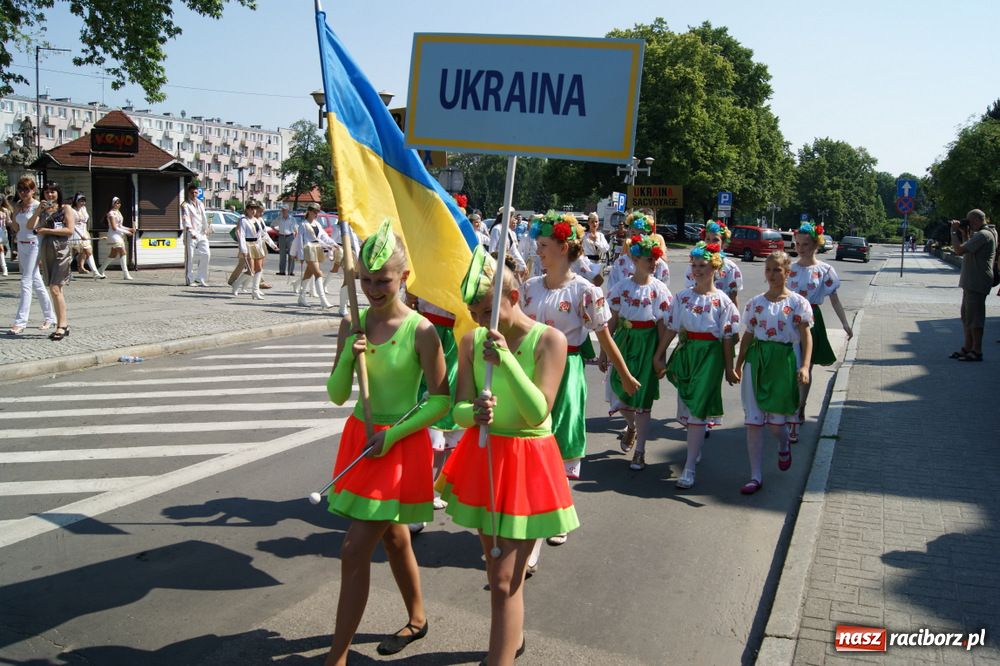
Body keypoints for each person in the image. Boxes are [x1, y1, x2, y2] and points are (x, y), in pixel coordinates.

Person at [437, 246, 577, 665]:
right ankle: (509, 641)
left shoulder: (549, 340)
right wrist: (473, 412)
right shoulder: (470, 340)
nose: (481, 322)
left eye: (486, 312)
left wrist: (507, 363)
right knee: (497, 573)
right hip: (484, 458)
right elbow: (457, 410)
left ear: (513, 298)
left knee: (503, 579)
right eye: (476, 314)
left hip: (528, 462)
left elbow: (539, 411)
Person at [323, 220, 449, 666]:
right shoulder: (351, 323)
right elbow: (338, 395)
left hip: (397, 444)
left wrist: (392, 434)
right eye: (366, 280)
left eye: (384, 280)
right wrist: (347, 357)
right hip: (360, 439)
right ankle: (418, 618)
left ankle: (336, 658)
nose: (375, 289)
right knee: (394, 538)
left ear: (404, 278)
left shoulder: (421, 331)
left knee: (354, 548)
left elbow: (440, 402)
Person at [521, 210, 638, 548]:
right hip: (530, 368)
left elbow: (604, 337)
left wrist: (626, 375)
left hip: (566, 368)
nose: (538, 251)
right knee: (530, 438)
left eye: (543, 245)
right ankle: (529, 510)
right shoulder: (530, 288)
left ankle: (559, 513)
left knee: (562, 438)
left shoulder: (585, 291)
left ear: (561, 247)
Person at [653, 241, 740, 490]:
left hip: (710, 358)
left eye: (703, 265)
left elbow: (727, 337)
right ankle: (696, 445)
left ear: (715, 268)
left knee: (698, 411)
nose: (698, 270)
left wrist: (729, 367)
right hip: (687, 354)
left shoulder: (723, 301)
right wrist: (658, 355)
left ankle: (689, 467)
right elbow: (671, 328)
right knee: (686, 409)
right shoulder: (682, 297)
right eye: (694, 265)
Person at [733, 252, 813, 494]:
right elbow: (748, 335)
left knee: (777, 426)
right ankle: (755, 476)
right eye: (768, 270)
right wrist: (738, 364)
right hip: (757, 362)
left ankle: (784, 442)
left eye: (777, 270)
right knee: (754, 422)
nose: (771, 275)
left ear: (788, 273)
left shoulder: (798, 303)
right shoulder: (756, 303)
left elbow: (806, 336)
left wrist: (805, 366)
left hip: (783, 361)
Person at [602, 233, 672, 470]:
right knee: (618, 391)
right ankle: (630, 425)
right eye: (648, 259)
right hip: (624, 342)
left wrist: (660, 355)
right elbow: (611, 320)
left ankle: (640, 450)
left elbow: (663, 323)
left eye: (655, 259)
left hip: (648, 343)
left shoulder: (660, 289)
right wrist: (604, 351)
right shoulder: (622, 287)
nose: (652, 264)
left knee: (643, 398)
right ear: (635, 259)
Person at [789, 222, 853, 440]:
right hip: (789, 321)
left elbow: (834, 299)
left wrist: (845, 323)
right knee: (791, 367)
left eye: (805, 244)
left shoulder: (825, 270)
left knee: (804, 368)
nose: (800, 248)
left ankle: (799, 409)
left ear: (816, 244)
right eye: (797, 244)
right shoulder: (790, 269)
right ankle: (792, 409)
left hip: (812, 320)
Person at [8, 177, 56, 334]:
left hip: (34, 244)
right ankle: (50, 317)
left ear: (33, 190)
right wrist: (15, 210)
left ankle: (21, 321)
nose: (23, 193)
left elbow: (31, 226)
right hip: (21, 245)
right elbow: (15, 227)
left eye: (26, 190)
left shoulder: (38, 206)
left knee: (26, 281)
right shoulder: (19, 205)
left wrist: (37, 211)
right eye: (20, 190)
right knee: (36, 281)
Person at [950, 209, 997, 362]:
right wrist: (964, 234)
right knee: (966, 317)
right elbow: (969, 249)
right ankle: (967, 347)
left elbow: (959, 250)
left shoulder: (984, 235)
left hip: (977, 281)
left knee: (975, 319)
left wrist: (953, 232)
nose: (967, 224)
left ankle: (977, 351)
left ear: (976, 220)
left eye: (969, 221)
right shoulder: (983, 234)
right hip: (972, 281)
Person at [34, 181, 76, 341]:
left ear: (58, 193)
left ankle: (62, 325)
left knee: (55, 288)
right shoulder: (44, 210)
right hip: (46, 249)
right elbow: (32, 226)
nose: (50, 195)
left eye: (52, 192)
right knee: (56, 290)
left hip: (61, 250)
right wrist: (39, 210)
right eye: (46, 192)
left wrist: (48, 230)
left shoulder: (65, 208)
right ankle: (62, 323)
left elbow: (69, 230)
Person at [685, 221, 743, 308]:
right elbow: (689, 292)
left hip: (721, 312)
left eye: (715, 240)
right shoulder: (695, 265)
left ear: (723, 243)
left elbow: (733, 297)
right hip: (697, 309)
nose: (711, 243)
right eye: (707, 239)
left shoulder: (731, 268)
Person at [608, 212, 670, 289]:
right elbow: (612, 287)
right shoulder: (620, 263)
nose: (637, 237)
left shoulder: (657, 262)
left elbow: (663, 288)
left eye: (642, 233)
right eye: (633, 233)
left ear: (647, 235)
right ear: (629, 233)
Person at [295, 203, 336, 308]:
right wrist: (301, 256)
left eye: (317, 211)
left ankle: (301, 298)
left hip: (317, 248)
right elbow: (299, 241)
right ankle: (323, 300)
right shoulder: (303, 224)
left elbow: (324, 236)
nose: (316, 214)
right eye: (314, 211)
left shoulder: (317, 224)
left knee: (308, 274)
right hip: (308, 249)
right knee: (318, 273)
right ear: (309, 211)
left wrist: (333, 243)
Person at [232, 200, 268, 299]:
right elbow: (241, 235)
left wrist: (272, 244)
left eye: (255, 208)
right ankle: (236, 284)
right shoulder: (244, 220)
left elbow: (263, 234)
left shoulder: (257, 220)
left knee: (259, 268)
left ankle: (255, 291)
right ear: (247, 209)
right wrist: (243, 249)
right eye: (251, 208)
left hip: (256, 245)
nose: (253, 210)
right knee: (250, 270)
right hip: (248, 245)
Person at [181, 184, 211, 287]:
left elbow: (204, 217)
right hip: (191, 234)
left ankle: (200, 278)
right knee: (190, 257)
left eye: (196, 192)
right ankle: (189, 279)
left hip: (202, 233)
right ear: (188, 193)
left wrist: (206, 228)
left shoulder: (201, 203)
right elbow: (186, 219)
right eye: (192, 192)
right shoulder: (185, 205)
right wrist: (191, 231)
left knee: (206, 254)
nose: (194, 194)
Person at [68, 194, 103, 279]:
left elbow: (85, 221)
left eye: (84, 201)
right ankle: (66, 272)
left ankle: (95, 273)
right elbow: (73, 225)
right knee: (72, 254)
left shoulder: (84, 209)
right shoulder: (72, 210)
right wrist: (81, 235)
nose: (83, 203)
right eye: (81, 201)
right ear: (76, 201)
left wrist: (85, 232)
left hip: (84, 232)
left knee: (88, 251)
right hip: (75, 233)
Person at [99, 197, 133, 280]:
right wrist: (127, 232)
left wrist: (129, 229)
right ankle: (126, 274)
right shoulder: (111, 213)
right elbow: (114, 227)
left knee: (113, 254)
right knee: (123, 252)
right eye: (116, 203)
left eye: (119, 203)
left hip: (119, 235)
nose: (118, 204)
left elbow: (120, 226)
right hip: (113, 235)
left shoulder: (118, 212)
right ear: (112, 204)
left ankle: (100, 270)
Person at [489, 209, 527, 277]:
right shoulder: (497, 229)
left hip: (507, 266)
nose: (513, 219)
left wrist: (523, 265)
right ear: (507, 217)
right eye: (512, 217)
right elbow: (492, 250)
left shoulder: (509, 230)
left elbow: (514, 250)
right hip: (498, 265)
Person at [275, 204, 296, 276]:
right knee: (282, 255)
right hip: (282, 237)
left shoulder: (292, 219)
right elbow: (272, 225)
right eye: (282, 210)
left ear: (288, 210)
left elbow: (296, 229)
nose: (283, 211)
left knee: (291, 254)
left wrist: (296, 239)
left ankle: (290, 271)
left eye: (285, 210)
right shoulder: (279, 218)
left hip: (290, 237)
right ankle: (282, 271)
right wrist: (277, 231)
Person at [0, 196, 13, 276]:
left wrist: (15, 225)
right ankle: (4, 268)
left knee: (1, 249)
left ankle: (4, 268)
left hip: (2, 232)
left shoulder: (5, 210)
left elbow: (9, 221)